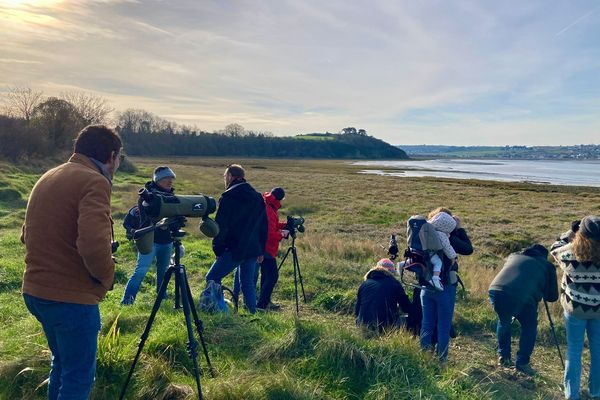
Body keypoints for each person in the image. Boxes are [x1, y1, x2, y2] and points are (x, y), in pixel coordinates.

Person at [21, 125, 122, 399]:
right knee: (78, 378)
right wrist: (107, 276)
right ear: (112, 156)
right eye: (118, 159)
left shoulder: (49, 176)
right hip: (71, 298)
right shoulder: (94, 181)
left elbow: (25, 235)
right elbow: (92, 245)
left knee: (63, 366)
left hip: (36, 291)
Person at [205, 164, 268, 314]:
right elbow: (263, 225)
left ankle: (221, 311)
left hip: (235, 248)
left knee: (212, 277)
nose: (224, 179)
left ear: (231, 177)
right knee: (247, 283)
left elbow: (221, 225)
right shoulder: (257, 196)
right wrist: (261, 249)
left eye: (225, 176)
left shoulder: (228, 197)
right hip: (252, 248)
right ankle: (252, 313)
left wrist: (218, 247)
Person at [488, 244, 559, 374]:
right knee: (529, 327)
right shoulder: (547, 265)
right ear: (544, 256)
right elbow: (552, 297)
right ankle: (522, 363)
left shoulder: (513, 256)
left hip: (496, 291)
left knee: (504, 321)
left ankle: (504, 356)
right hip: (522, 297)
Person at [551, 216, 600, 400]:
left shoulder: (569, 254)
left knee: (574, 350)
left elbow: (555, 248)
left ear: (581, 235)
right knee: (598, 350)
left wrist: (571, 231)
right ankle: (596, 392)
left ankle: (572, 394)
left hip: (575, 309)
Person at [420, 207, 473, 362]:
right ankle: (442, 360)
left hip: (425, 287)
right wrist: (458, 229)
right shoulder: (446, 237)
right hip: (444, 287)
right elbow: (468, 249)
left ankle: (423, 357)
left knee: (427, 324)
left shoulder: (424, 231)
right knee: (443, 326)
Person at [121, 166, 177, 305]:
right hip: (149, 240)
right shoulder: (147, 197)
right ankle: (127, 302)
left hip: (167, 241)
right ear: (157, 180)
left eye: (171, 178)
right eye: (166, 178)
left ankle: (161, 298)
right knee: (141, 271)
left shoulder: (173, 197)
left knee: (163, 271)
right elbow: (143, 218)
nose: (170, 181)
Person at [355, 258, 412, 332]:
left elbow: (357, 311)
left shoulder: (365, 284)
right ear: (391, 272)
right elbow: (406, 307)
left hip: (362, 325)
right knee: (407, 319)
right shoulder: (394, 283)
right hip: (384, 327)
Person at [427, 211, 458, 291]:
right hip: (429, 254)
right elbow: (447, 247)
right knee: (438, 263)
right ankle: (435, 278)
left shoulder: (426, 227)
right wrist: (453, 257)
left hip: (418, 252)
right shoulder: (440, 234)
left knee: (414, 259)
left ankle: (402, 264)